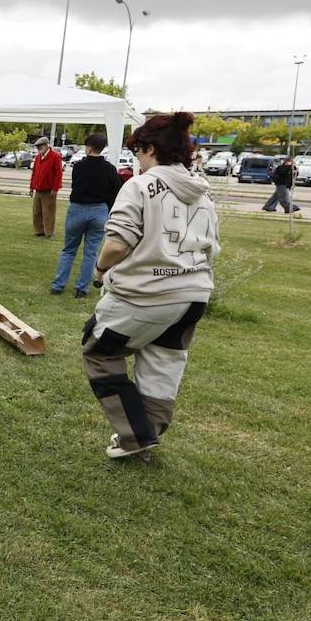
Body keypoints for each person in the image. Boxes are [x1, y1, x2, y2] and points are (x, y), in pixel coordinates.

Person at [84, 112, 220, 460]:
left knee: (99, 349)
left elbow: (117, 243)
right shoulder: (204, 193)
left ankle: (135, 434)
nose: (137, 160)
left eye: (138, 152)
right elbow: (211, 246)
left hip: (148, 294)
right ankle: (144, 438)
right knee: (163, 361)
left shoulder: (139, 185)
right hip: (194, 295)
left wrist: (100, 271)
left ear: (149, 148)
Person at [51, 133, 121, 299]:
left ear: (89, 147)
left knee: (69, 249)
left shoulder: (79, 167)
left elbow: (76, 185)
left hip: (78, 209)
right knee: (91, 252)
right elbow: (115, 192)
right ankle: (82, 288)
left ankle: (58, 285)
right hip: (99, 211)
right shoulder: (110, 169)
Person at [29, 135, 63, 237]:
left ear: (46, 145)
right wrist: (31, 187)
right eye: (38, 147)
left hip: (49, 190)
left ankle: (49, 232)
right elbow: (34, 173)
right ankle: (39, 231)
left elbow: (58, 174)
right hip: (38, 188)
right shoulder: (38, 157)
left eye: (41, 146)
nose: (39, 148)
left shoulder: (55, 156)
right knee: (37, 212)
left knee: (48, 212)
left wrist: (55, 189)